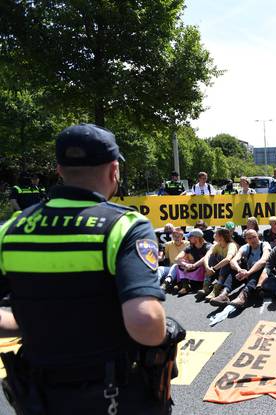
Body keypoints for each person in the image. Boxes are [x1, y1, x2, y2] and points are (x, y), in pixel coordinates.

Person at [0, 123, 175, 413]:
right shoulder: (124, 227)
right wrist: (163, 331)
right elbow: (144, 323)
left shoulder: (11, 231)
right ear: (113, 170)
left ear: (59, 170)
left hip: (39, 396)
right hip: (112, 395)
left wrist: (31, 320)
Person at [226, 229, 271, 308]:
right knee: (233, 266)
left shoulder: (265, 244)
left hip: (262, 274)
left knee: (257, 264)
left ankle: (243, 295)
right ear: (246, 240)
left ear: (258, 236)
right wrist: (239, 270)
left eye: (254, 237)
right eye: (249, 238)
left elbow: (263, 260)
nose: (252, 240)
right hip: (247, 274)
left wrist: (248, 272)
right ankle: (224, 293)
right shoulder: (245, 247)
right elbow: (233, 261)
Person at [195, 228, 238, 305]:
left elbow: (228, 259)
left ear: (221, 237)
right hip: (218, 270)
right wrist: (208, 268)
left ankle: (216, 289)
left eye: (216, 234)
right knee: (212, 257)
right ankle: (206, 287)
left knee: (225, 262)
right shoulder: (216, 245)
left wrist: (214, 268)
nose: (214, 235)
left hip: (230, 271)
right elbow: (206, 256)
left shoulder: (231, 245)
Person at [172, 229, 210, 296]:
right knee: (181, 263)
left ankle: (183, 284)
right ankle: (185, 286)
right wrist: (186, 264)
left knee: (203, 264)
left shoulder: (208, 246)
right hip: (194, 270)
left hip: (204, 272)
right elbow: (177, 259)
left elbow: (205, 258)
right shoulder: (190, 247)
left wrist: (193, 265)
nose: (188, 238)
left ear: (196, 238)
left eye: (190, 237)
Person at [158, 227, 189, 291]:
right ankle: (154, 284)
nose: (176, 238)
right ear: (172, 236)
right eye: (175, 236)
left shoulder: (187, 244)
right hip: (171, 267)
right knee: (160, 268)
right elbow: (166, 258)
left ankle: (166, 282)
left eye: (178, 236)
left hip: (183, 268)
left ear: (182, 236)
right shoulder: (167, 244)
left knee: (176, 265)